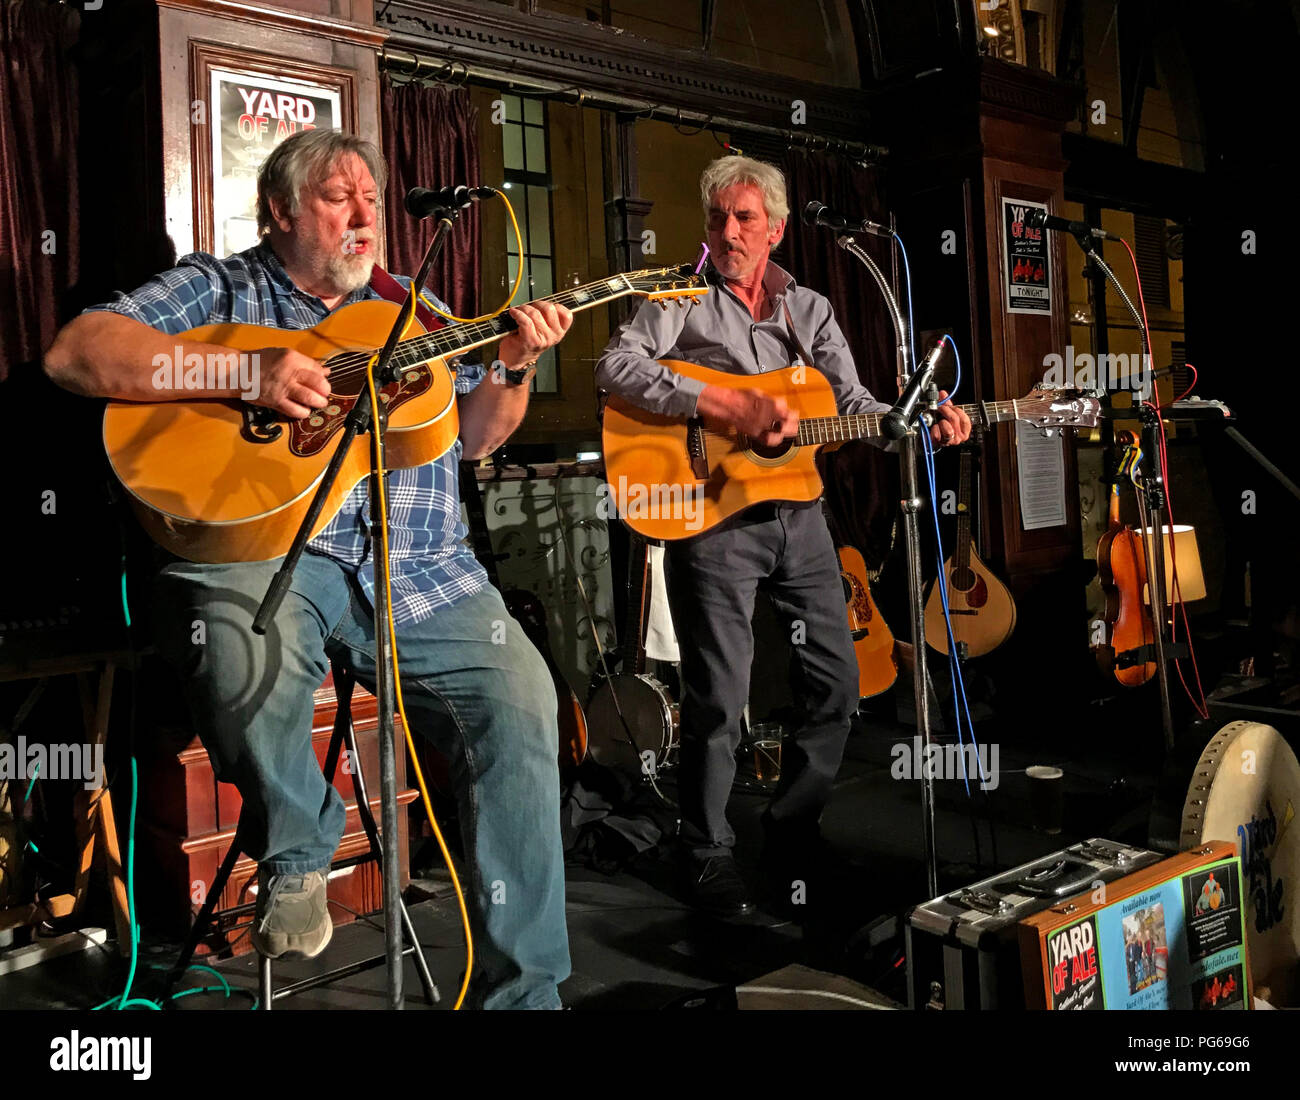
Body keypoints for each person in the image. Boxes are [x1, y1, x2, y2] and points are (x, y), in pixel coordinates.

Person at [43, 129, 574, 1009]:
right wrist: (244, 369)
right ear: (283, 211)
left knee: (523, 699)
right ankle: (298, 844)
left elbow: (477, 434)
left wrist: (515, 364)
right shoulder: (221, 286)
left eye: (371, 197)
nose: (366, 214)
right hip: (270, 555)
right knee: (232, 633)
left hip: (425, 573)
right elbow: (76, 354)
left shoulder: (423, 311)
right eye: (339, 197)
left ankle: (525, 998)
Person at [596, 156, 971, 916]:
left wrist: (923, 421)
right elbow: (614, 366)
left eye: (742, 220)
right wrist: (721, 404)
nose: (726, 234)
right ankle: (706, 853)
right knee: (719, 699)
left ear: (775, 227)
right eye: (716, 220)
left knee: (837, 682)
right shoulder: (681, 297)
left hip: (799, 516)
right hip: (714, 517)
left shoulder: (812, 309)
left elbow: (857, 404)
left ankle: (793, 828)